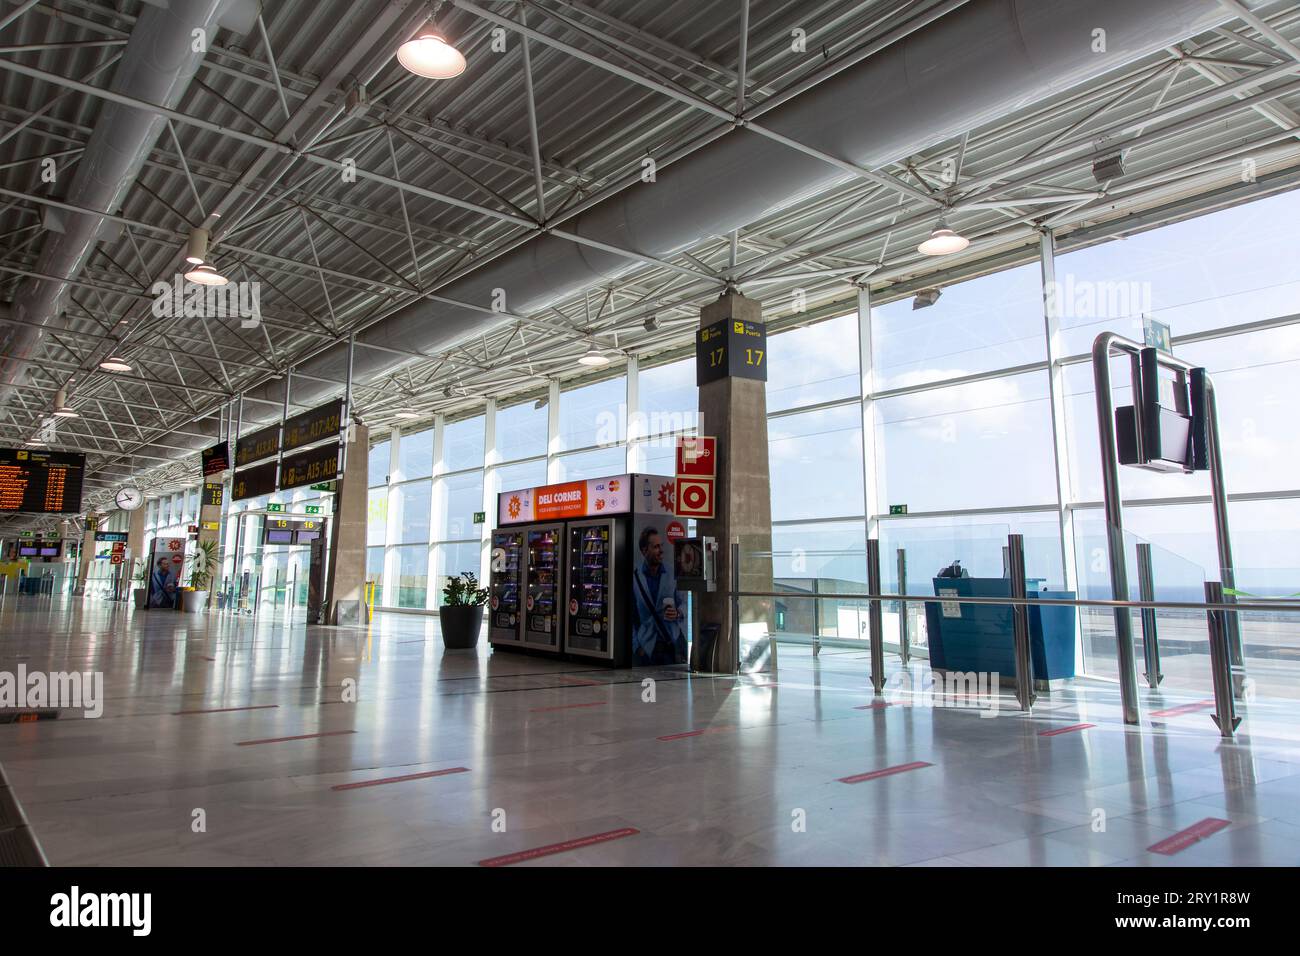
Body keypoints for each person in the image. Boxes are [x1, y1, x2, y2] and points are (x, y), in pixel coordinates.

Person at [631, 526, 686, 665]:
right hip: (647, 650)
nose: (661, 551)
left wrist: (678, 613)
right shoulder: (635, 577)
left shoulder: (672, 572)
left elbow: (684, 602)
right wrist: (637, 647)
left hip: (672, 645)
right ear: (644, 551)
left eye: (661, 546)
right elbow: (630, 616)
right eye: (656, 547)